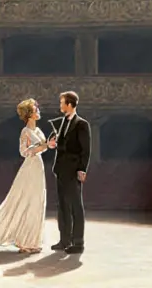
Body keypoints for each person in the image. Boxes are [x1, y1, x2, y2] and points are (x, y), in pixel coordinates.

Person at [0, 98, 49, 253]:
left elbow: (42, 148)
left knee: (37, 202)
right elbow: (24, 152)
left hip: (38, 166)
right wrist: (43, 146)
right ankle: (24, 242)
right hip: (30, 168)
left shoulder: (38, 130)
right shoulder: (26, 131)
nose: (39, 111)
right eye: (36, 109)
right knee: (26, 201)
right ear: (29, 114)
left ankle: (32, 241)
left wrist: (48, 145)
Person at [50, 90, 90, 254]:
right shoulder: (62, 123)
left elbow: (85, 149)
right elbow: (62, 146)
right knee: (62, 206)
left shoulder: (82, 124)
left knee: (75, 206)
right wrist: (53, 143)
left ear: (69, 104)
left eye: (62, 103)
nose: (60, 105)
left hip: (74, 170)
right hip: (61, 170)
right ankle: (64, 240)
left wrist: (82, 168)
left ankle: (78, 242)